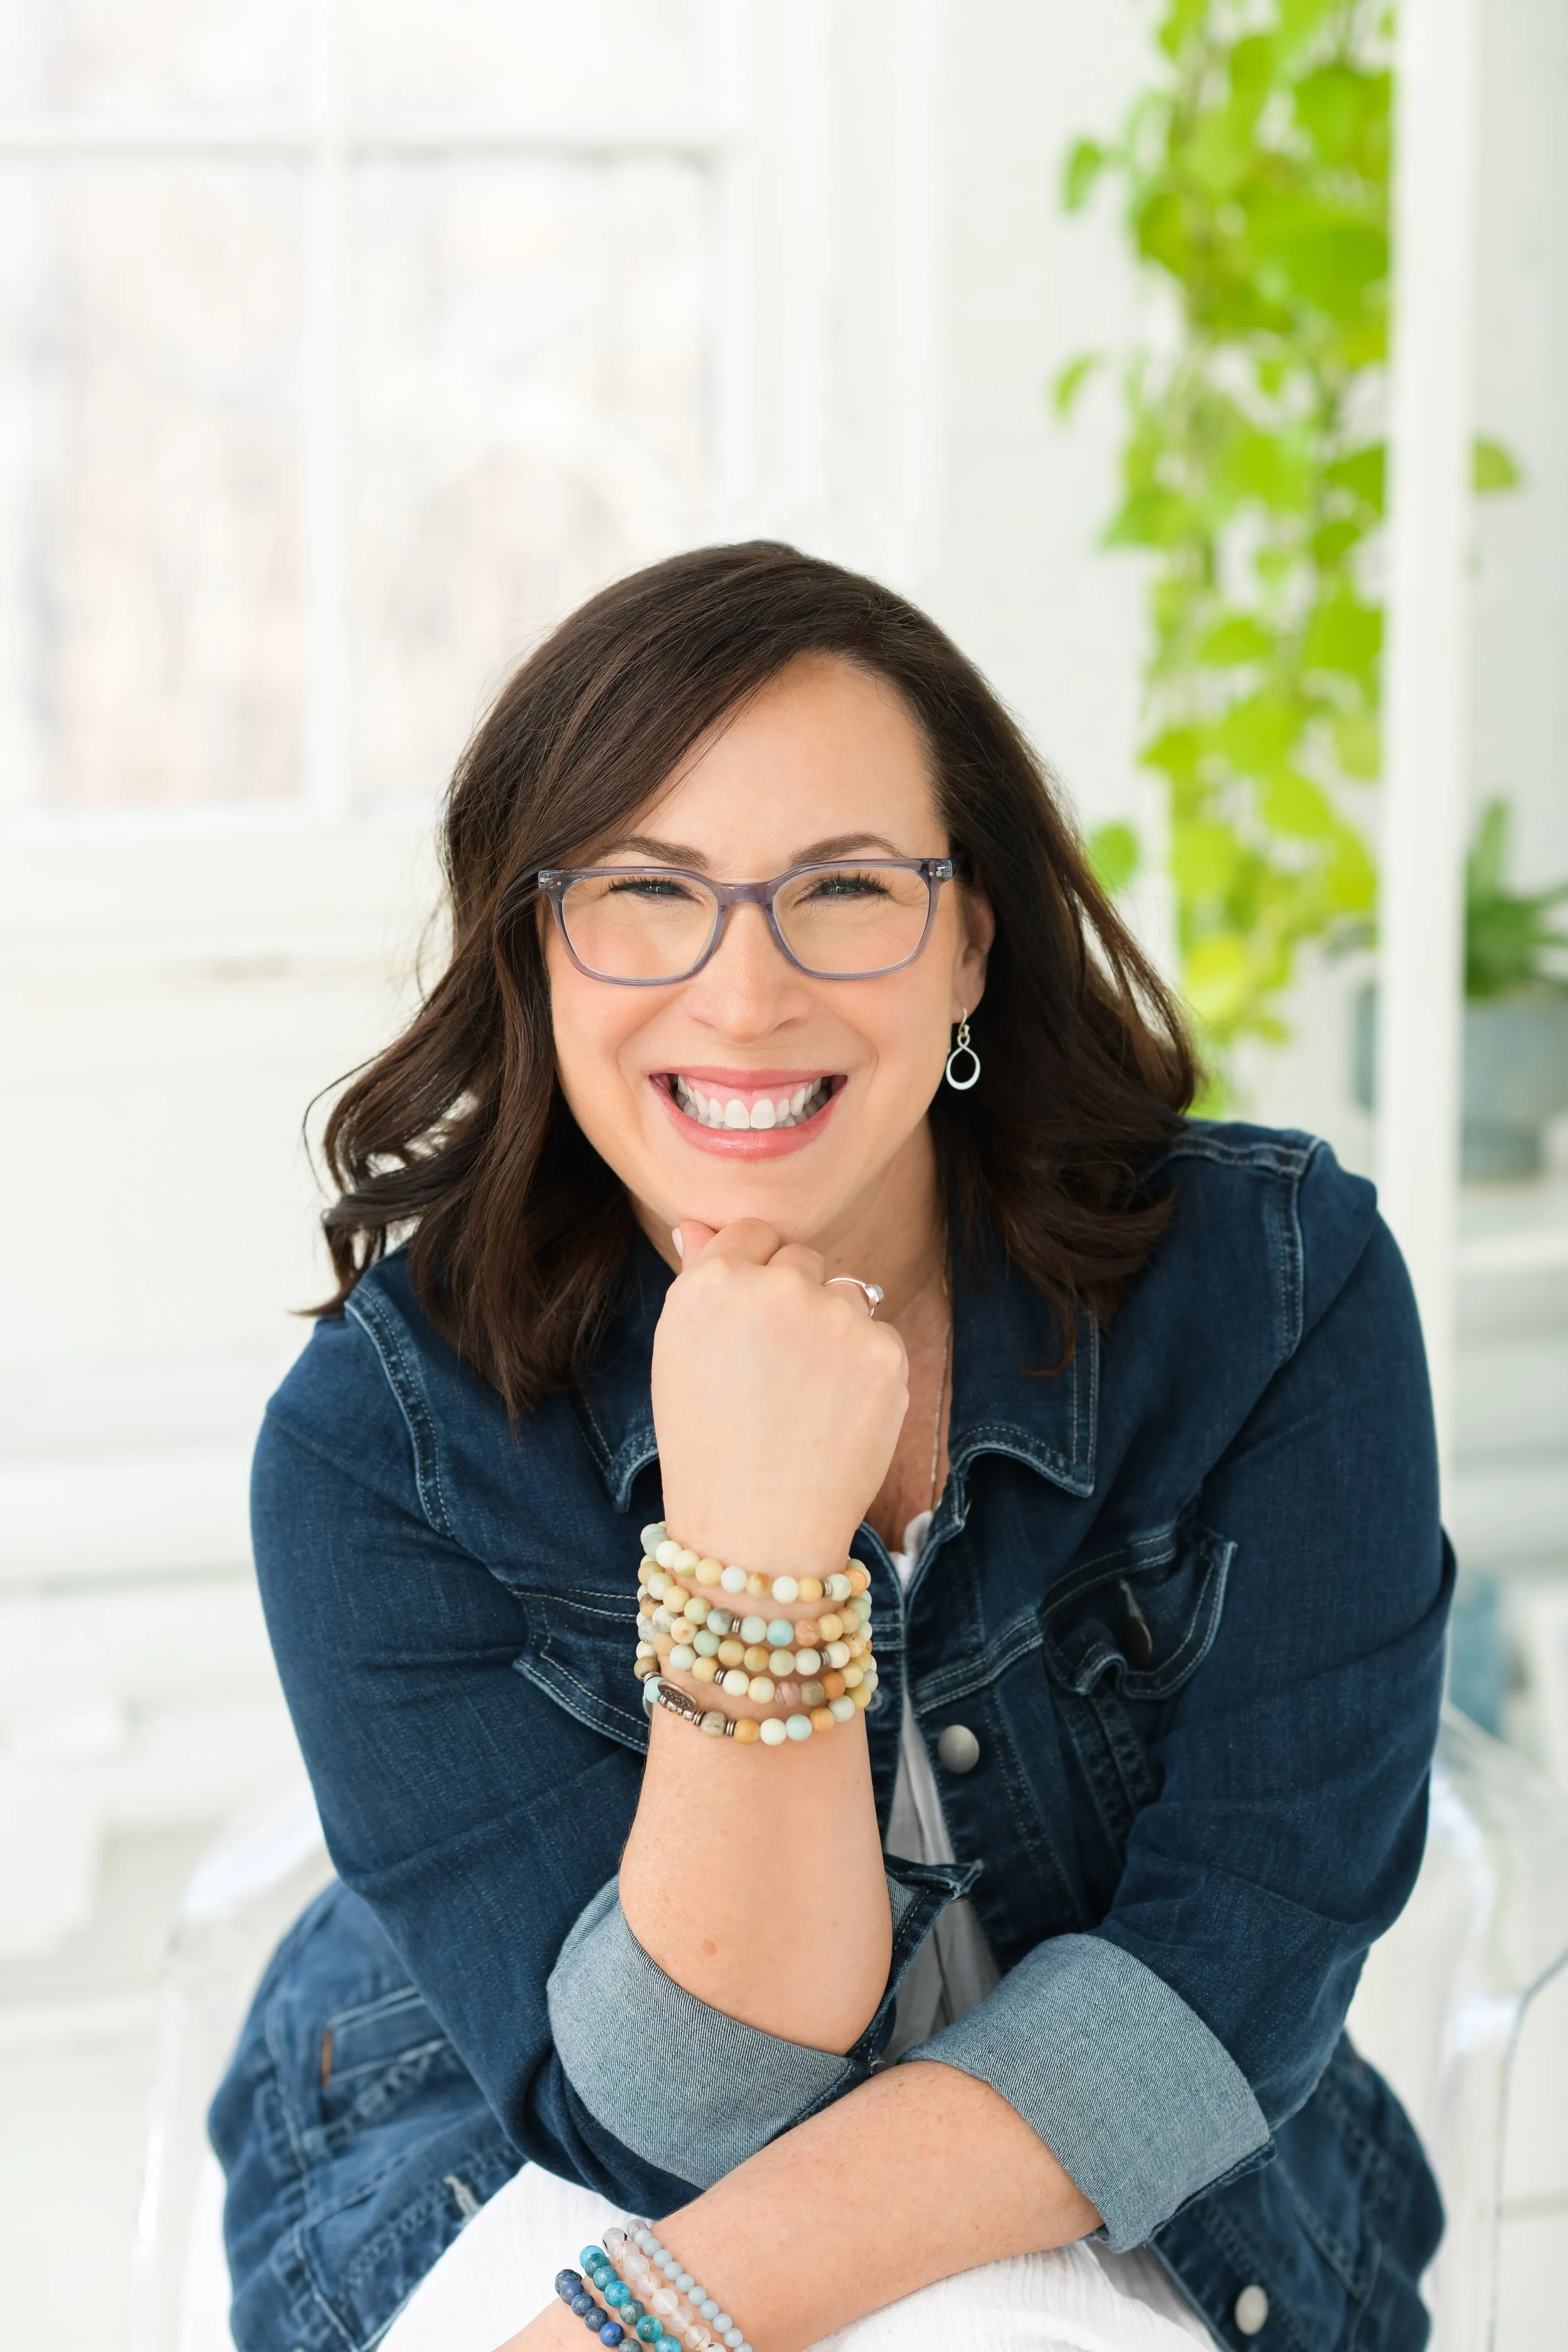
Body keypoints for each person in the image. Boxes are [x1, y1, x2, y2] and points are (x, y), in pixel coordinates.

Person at [211, 543, 1450, 2352]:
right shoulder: (373, 1446)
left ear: (969, 943)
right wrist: (757, 1542)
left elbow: (1230, 1964)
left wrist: (643, 2327)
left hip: (1141, 2165)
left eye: (847, 887)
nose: (742, 991)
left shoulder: (1276, 1292)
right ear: (535, 947)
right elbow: (690, 2113)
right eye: (646, 890)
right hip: (508, 2148)